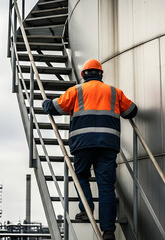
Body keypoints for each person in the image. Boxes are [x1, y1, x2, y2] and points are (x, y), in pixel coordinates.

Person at [42, 59, 138, 240]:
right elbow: (132, 111)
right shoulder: (114, 92)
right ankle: (109, 231)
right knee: (106, 187)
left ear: (82, 75)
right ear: (101, 74)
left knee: (81, 176)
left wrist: (45, 103)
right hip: (108, 146)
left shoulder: (76, 91)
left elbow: (55, 107)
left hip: (82, 145)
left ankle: (86, 211)